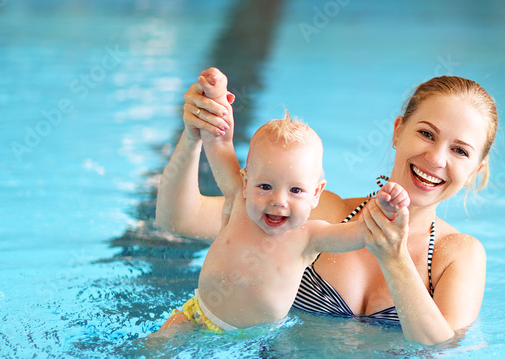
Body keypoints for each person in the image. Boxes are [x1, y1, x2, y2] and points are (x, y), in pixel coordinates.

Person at [158, 68, 497, 344]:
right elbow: (179, 220)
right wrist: (192, 137)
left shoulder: (458, 255)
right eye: (426, 134)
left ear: (474, 173)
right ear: (398, 131)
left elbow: (444, 357)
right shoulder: (310, 211)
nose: (436, 158)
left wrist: (394, 259)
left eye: (460, 151)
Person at [153, 72, 409, 336]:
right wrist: (215, 93)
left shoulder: (309, 237)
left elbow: (360, 233)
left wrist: (386, 211)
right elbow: (219, 140)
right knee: (149, 356)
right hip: (196, 316)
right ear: (245, 181)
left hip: (255, 343)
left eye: (296, 190)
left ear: (316, 194)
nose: (278, 201)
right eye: (265, 186)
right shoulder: (239, 201)